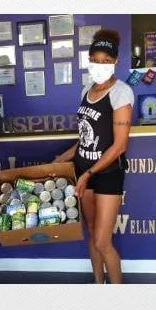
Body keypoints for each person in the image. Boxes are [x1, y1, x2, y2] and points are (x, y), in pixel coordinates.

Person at [54, 29, 134, 284]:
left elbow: (119, 146)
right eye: (95, 60)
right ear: (88, 60)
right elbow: (86, 138)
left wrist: (88, 174)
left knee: (102, 241)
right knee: (91, 234)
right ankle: (98, 285)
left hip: (107, 174)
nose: (99, 65)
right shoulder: (86, 90)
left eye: (105, 61)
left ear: (115, 62)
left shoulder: (121, 93)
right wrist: (63, 158)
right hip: (83, 172)